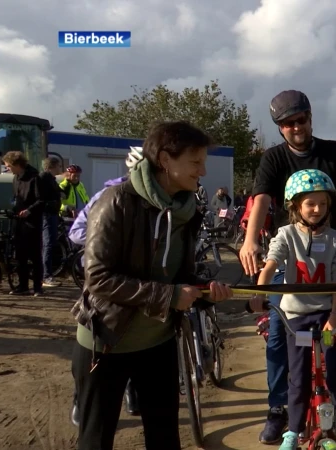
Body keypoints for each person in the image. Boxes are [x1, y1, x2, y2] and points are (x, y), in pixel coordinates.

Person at [70, 121, 233, 450]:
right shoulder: (115, 202)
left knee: (165, 438)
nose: (202, 171)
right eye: (195, 162)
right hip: (106, 342)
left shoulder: (187, 210)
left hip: (157, 342)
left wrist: (203, 291)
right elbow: (99, 278)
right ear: (164, 160)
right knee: (96, 439)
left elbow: (179, 275)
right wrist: (171, 295)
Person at [239, 89, 336, 444]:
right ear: (280, 128)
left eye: (300, 120)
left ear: (310, 118)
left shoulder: (332, 151)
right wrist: (251, 239)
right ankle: (278, 411)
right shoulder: (273, 158)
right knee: (277, 340)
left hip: (331, 258)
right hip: (290, 258)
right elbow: (262, 199)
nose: (295, 128)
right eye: (287, 124)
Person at [248, 169, 336, 449]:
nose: (317, 209)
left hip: (326, 318)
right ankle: (292, 430)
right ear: (295, 206)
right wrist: (259, 293)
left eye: (323, 204)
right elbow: (270, 265)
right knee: (299, 374)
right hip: (296, 321)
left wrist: (335, 315)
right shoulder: (285, 234)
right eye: (310, 204)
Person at [67, 146, 145, 426]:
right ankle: (81, 396)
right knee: (97, 340)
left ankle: (132, 391)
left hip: (137, 283)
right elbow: (75, 233)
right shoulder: (107, 196)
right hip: (105, 281)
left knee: (137, 340)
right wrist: (104, 239)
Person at [3, 151, 47, 296]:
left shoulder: (35, 178)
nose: (7, 168)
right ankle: (23, 286)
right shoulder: (16, 178)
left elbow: (41, 200)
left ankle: (37, 287)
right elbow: (16, 197)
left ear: (16, 164)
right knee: (20, 255)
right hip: (19, 221)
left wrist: (29, 210)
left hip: (33, 222)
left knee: (35, 255)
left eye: (8, 165)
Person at [40, 157, 63, 287]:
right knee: (48, 244)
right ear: (52, 166)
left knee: (50, 243)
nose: (60, 168)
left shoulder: (52, 179)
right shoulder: (44, 178)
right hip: (47, 215)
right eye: (58, 166)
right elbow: (41, 196)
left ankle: (46, 275)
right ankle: (46, 276)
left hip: (52, 214)